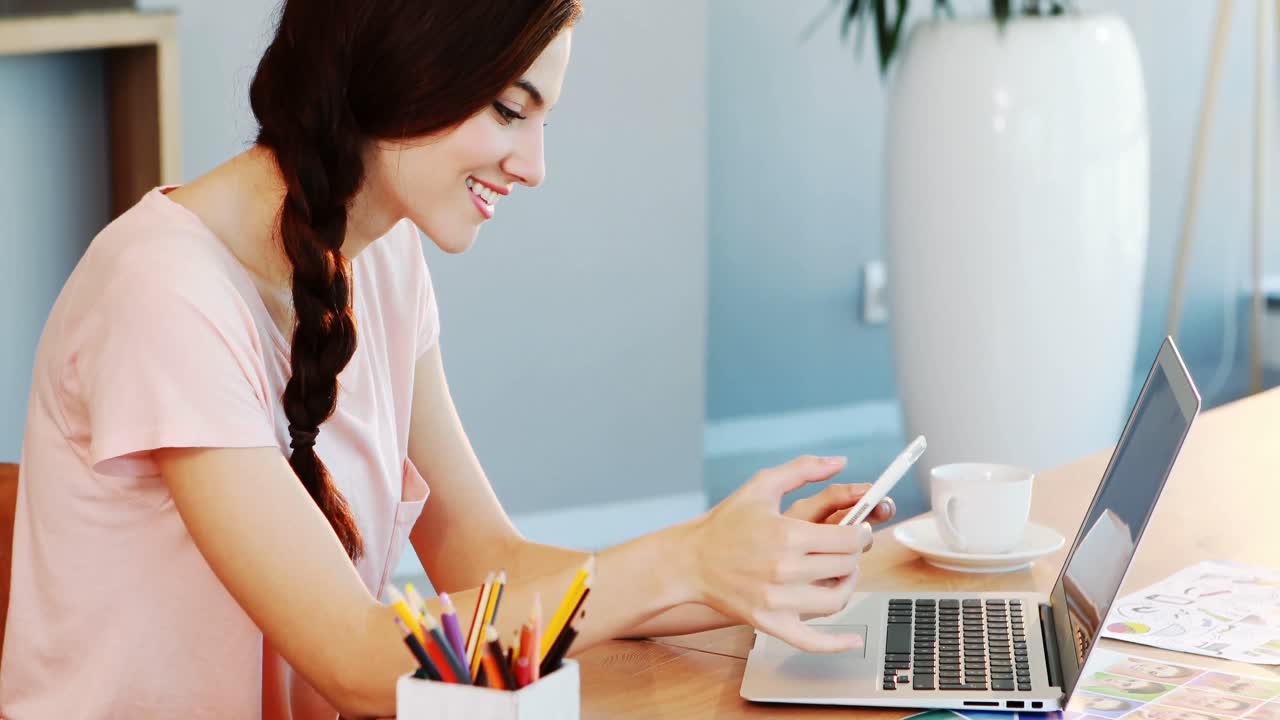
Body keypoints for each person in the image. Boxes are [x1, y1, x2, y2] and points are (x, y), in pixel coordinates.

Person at [0, 1, 894, 718]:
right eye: (511, 110)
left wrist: (736, 565)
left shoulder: (382, 256)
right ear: (402, 66)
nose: (536, 166)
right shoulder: (163, 293)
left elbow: (482, 559)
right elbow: (359, 663)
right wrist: (678, 566)